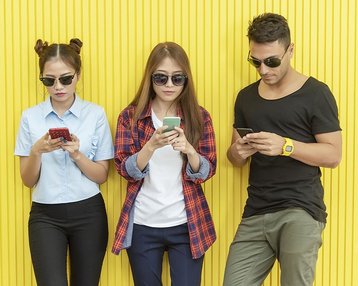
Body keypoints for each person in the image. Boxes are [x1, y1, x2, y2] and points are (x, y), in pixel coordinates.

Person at [223, 13, 342, 286]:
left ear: (291, 50)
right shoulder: (246, 97)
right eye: (256, 61)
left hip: (300, 210)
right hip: (256, 211)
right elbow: (234, 158)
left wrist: (285, 146)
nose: (264, 70)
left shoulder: (316, 93)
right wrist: (238, 152)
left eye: (272, 61)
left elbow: (333, 155)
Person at [111, 42, 217, 286]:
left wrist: (189, 149)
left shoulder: (199, 117)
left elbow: (208, 169)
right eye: (161, 78)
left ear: (186, 79)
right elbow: (123, 169)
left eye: (177, 78)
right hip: (143, 225)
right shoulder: (130, 117)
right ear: (150, 78)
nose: (169, 85)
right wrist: (150, 146)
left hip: (187, 223)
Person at [14, 38, 114, 286]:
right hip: (45, 215)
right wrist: (37, 150)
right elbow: (27, 181)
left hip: (89, 213)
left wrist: (77, 155)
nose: (58, 86)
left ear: (78, 75)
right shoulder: (30, 117)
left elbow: (102, 175)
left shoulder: (95, 114)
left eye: (66, 78)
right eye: (49, 80)